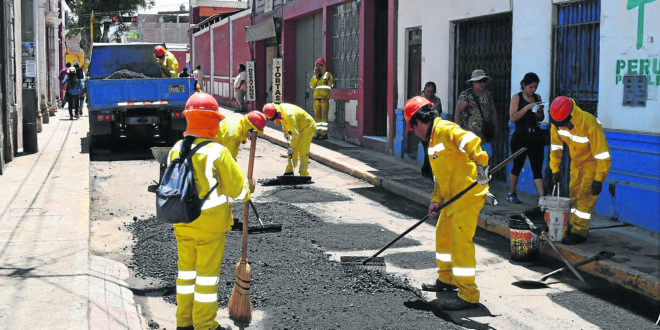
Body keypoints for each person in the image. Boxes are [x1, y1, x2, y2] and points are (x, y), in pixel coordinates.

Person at [168, 92, 247, 330]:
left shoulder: (176, 147)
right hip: (210, 225)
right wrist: (247, 188)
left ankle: (184, 322)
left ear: (189, 119)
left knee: (186, 275)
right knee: (205, 278)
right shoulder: (217, 151)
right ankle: (205, 325)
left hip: (181, 221)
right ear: (213, 121)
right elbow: (238, 190)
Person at [404, 96, 490, 311]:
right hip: (451, 197)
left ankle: (468, 294)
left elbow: (472, 142)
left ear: (419, 121)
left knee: (460, 242)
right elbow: (440, 178)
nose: (414, 133)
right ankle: (446, 279)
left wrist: (481, 168)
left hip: (468, 195)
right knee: (443, 235)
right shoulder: (433, 140)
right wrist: (435, 201)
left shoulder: (445, 129)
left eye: (413, 128)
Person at [548, 96, 612, 245]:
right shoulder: (557, 123)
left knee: (585, 196)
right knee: (574, 195)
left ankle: (579, 232)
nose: (560, 127)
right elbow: (556, 147)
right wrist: (555, 170)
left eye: (562, 124)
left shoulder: (589, 124)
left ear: (571, 117)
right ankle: (574, 224)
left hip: (592, 164)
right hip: (576, 163)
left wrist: (599, 178)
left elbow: (602, 154)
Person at [507, 72, 546, 204]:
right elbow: (512, 117)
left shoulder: (537, 97)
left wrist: (540, 111)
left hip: (534, 137)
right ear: (524, 85)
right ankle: (512, 193)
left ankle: (542, 198)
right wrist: (527, 108)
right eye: (530, 87)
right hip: (520, 137)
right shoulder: (516, 98)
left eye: (535, 87)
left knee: (537, 168)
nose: (533, 90)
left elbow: (541, 118)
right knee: (517, 166)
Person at [262, 102, 316, 176]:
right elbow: (284, 121)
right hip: (299, 127)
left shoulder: (289, 115)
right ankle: (289, 170)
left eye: (276, 117)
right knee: (293, 150)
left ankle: (304, 173)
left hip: (308, 126)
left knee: (302, 149)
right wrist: (285, 132)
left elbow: (295, 134)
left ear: (277, 112)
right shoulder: (280, 111)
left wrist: (292, 148)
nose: (277, 119)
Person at [454, 69, 499, 154]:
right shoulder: (466, 95)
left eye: (484, 81)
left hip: (485, 135)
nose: (482, 83)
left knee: (485, 158)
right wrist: (458, 131)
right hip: (469, 134)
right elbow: (458, 112)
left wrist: (496, 128)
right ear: (473, 82)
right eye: (479, 81)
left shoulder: (488, 95)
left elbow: (493, 112)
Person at [418, 82, 443, 178]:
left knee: (431, 149)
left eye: (431, 92)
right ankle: (427, 170)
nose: (429, 94)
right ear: (424, 91)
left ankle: (426, 169)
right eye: (427, 92)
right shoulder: (420, 100)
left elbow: (438, 115)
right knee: (427, 148)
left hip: (433, 128)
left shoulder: (437, 101)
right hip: (422, 128)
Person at [309, 58, 334, 140]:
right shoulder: (314, 76)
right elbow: (312, 86)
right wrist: (316, 77)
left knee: (324, 117)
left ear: (323, 66)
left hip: (324, 99)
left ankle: (324, 134)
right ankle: (317, 133)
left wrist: (328, 80)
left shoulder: (328, 75)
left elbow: (331, 85)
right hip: (316, 99)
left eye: (319, 65)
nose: (317, 67)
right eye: (317, 65)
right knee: (317, 117)